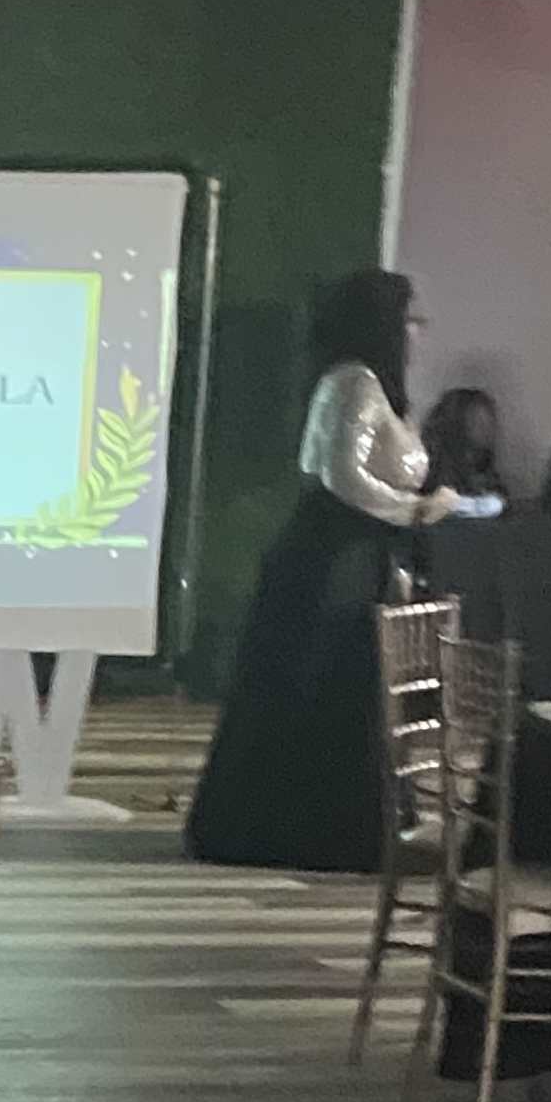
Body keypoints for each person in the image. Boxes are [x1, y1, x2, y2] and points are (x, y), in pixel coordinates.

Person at [184, 267, 457, 868]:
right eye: (411, 321)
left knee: (348, 687)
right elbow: (343, 478)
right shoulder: (353, 383)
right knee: (325, 684)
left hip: (357, 557)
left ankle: (347, 823)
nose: (418, 333)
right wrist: (416, 511)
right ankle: (313, 830)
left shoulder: (376, 389)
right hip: (333, 562)